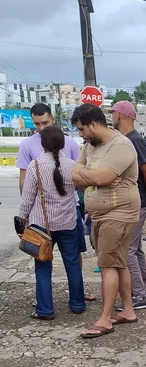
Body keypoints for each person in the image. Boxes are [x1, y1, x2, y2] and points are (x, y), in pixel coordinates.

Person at [71, 103, 140, 338]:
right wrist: (94, 177)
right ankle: (128, 311)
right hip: (100, 214)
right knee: (118, 262)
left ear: (93, 124)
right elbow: (74, 175)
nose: (80, 134)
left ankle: (105, 319)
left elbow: (102, 176)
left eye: (81, 129)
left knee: (108, 264)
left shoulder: (121, 145)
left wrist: (92, 176)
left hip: (119, 213)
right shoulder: (90, 146)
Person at [16, 102, 95, 304]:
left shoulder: (35, 166)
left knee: (42, 265)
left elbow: (27, 197)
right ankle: (77, 304)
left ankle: (45, 308)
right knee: (73, 264)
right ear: (62, 143)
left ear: (42, 145)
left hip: (41, 225)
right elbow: (83, 189)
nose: (40, 127)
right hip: (68, 221)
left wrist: (22, 219)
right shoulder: (73, 166)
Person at [112, 101, 146, 310]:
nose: (111, 117)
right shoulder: (130, 139)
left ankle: (138, 295)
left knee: (127, 249)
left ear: (120, 115)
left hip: (138, 200)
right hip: (140, 199)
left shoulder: (134, 140)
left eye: (113, 113)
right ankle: (144, 288)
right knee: (136, 247)